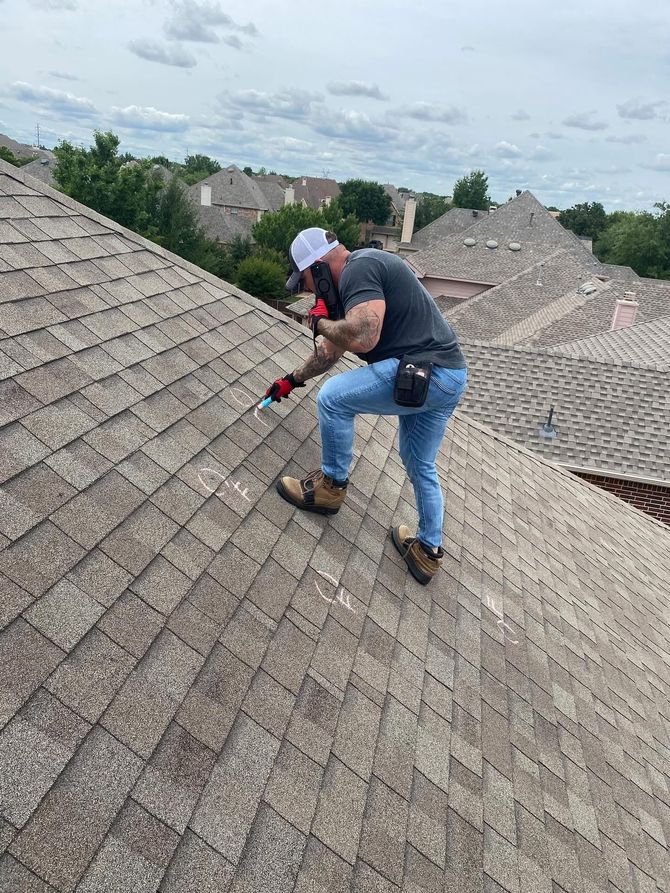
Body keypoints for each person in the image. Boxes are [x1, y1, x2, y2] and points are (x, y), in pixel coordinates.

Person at [263, 227, 467, 585]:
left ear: (321, 267)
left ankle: (330, 488)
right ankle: (428, 551)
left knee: (334, 398)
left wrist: (321, 321)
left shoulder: (361, 266)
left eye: (307, 280)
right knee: (419, 461)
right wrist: (292, 379)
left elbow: (364, 336)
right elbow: (331, 350)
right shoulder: (353, 288)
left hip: (426, 372)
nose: (308, 289)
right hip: (448, 377)